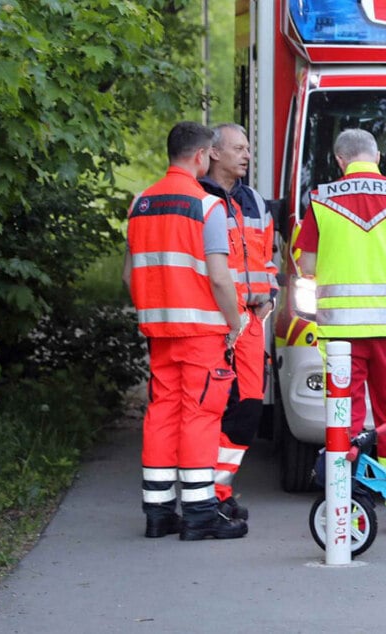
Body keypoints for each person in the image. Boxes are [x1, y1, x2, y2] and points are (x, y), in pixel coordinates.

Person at [295, 128, 386, 536]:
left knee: (345, 417)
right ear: (376, 156)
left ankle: (351, 502)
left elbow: (307, 265)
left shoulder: (322, 199)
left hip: (339, 332)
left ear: (340, 160)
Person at [124, 122, 248, 541]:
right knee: (199, 415)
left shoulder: (140, 204)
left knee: (162, 413)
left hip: (159, 331)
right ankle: (199, 512)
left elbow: (130, 275)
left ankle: (158, 512)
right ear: (201, 156)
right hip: (200, 332)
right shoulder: (206, 207)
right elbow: (218, 278)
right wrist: (236, 322)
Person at [199, 123, 278, 522]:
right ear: (214, 153)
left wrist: (271, 292)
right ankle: (207, 495)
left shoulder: (256, 203)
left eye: (249, 148)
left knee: (248, 407)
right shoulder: (197, 198)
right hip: (209, 319)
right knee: (209, 407)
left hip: (250, 320)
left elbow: (267, 257)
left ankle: (218, 488)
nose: (247, 155)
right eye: (239, 148)